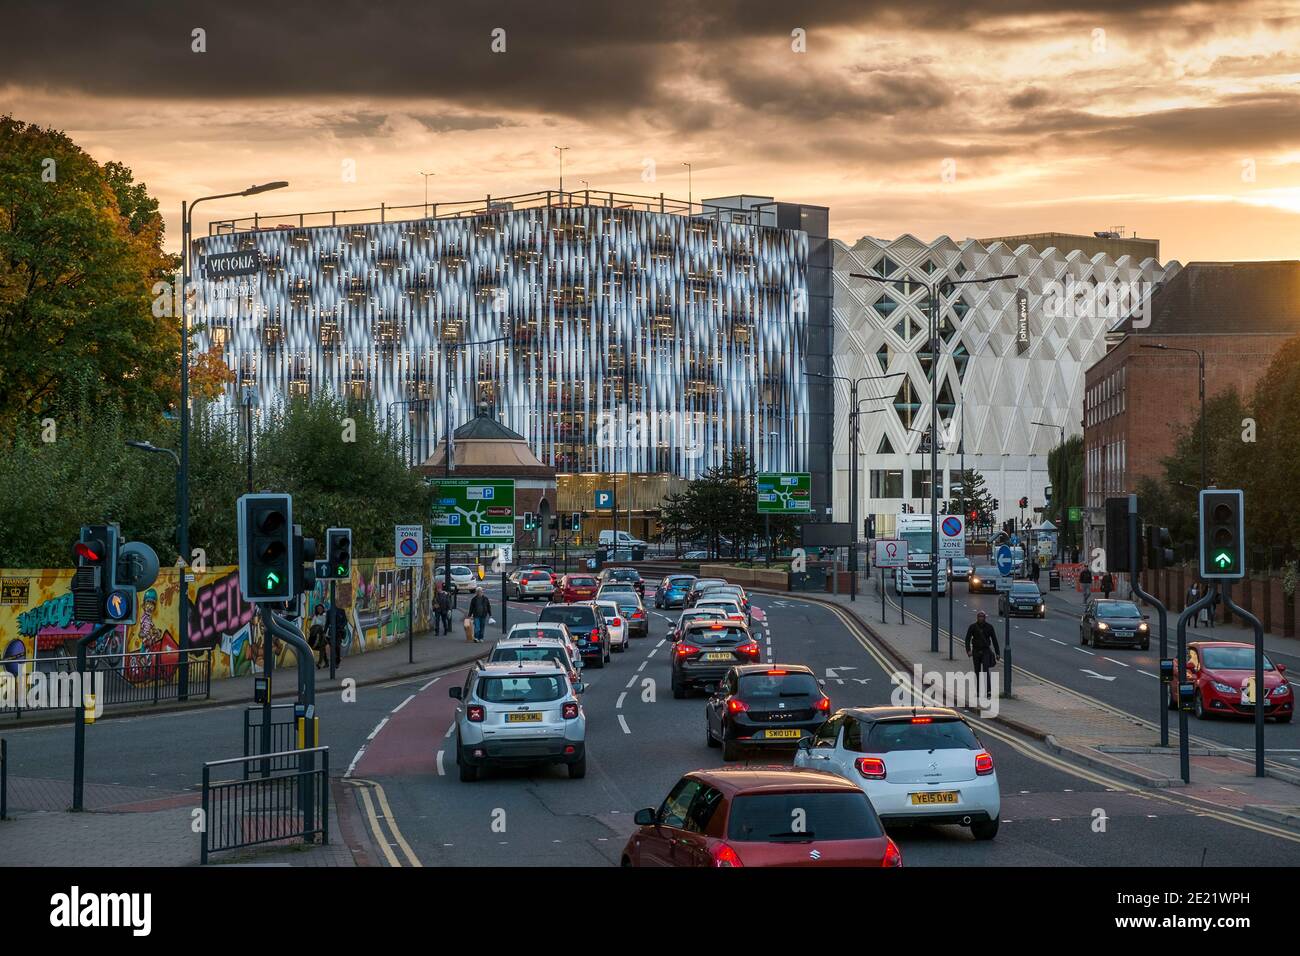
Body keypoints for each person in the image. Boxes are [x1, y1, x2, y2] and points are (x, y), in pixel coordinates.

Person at [964, 610, 1001, 701]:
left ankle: (988, 691)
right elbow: (967, 639)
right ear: (977, 618)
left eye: (982, 617)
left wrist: (998, 653)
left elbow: (994, 640)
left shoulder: (989, 627)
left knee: (985, 671)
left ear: (985, 618)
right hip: (976, 651)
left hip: (985, 651)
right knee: (977, 672)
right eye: (979, 617)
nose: (981, 618)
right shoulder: (972, 627)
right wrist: (968, 650)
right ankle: (978, 691)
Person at [308, 604, 329, 668]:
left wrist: (320, 627)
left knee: (322, 647)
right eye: (318, 609)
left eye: (321, 608)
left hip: (324, 634)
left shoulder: (325, 616)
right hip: (317, 635)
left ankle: (320, 663)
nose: (319, 610)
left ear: (323, 609)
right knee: (321, 648)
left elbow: (326, 625)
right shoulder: (315, 616)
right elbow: (312, 625)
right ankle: (327, 662)